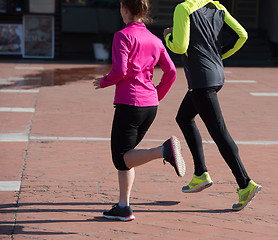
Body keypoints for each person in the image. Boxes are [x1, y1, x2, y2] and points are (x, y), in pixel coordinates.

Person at [163, 0, 261, 211]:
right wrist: (219, 55)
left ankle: (245, 183)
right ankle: (200, 173)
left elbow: (180, 46)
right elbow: (242, 35)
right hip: (215, 76)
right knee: (184, 118)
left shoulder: (184, 8)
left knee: (219, 133)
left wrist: (168, 38)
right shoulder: (218, 7)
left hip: (201, 81)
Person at [93, 0, 185, 221]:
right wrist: (156, 95)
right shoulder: (155, 39)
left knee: (121, 158)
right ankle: (124, 206)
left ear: (125, 10)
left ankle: (164, 151)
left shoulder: (122, 36)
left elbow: (120, 70)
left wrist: (103, 81)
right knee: (128, 156)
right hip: (149, 106)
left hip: (130, 104)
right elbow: (171, 71)